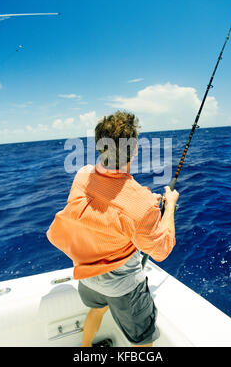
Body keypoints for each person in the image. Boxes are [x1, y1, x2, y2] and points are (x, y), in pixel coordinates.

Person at [46, 111, 179, 347]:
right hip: (123, 289)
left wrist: (145, 207)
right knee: (143, 341)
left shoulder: (82, 174)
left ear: (100, 145)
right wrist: (168, 209)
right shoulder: (141, 203)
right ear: (135, 149)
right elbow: (161, 250)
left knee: (96, 312)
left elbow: (109, 208)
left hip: (87, 279)